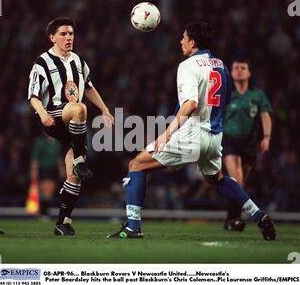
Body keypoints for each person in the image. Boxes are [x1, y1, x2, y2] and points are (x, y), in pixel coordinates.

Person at [107, 22, 276, 241]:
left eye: (184, 37)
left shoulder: (187, 66)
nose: (181, 41)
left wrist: (166, 134)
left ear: (193, 42)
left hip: (193, 133)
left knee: (136, 165)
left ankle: (132, 227)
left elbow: (190, 104)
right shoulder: (221, 65)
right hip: (214, 136)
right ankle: (258, 214)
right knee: (216, 179)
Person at [28, 17, 114, 235]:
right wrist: (43, 114)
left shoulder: (78, 61)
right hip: (55, 117)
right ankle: (79, 159)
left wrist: (105, 110)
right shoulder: (42, 62)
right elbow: (33, 96)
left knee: (74, 176)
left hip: (72, 129)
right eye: (63, 34)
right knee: (79, 109)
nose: (68, 38)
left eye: (71, 34)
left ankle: (62, 222)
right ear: (52, 37)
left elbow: (90, 88)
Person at [222, 59, 272, 231]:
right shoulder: (226, 94)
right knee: (237, 179)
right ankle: (235, 219)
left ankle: (231, 219)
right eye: (236, 68)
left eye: (243, 68)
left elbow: (265, 115)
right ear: (231, 72)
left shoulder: (257, 95)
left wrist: (266, 137)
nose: (239, 71)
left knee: (240, 184)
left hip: (249, 143)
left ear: (249, 73)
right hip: (229, 141)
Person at [30, 133, 65, 218]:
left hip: (53, 170)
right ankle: (43, 212)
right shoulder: (40, 142)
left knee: (50, 192)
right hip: (44, 169)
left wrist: (62, 170)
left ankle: (44, 212)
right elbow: (35, 158)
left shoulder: (57, 143)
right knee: (45, 191)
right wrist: (34, 171)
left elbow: (59, 158)